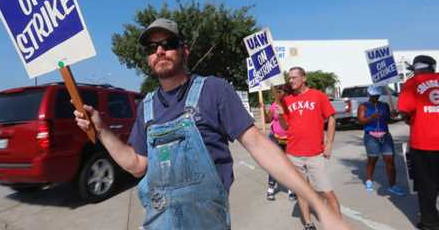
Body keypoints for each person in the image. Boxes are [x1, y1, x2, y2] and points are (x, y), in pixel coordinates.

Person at [74, 18, 351, 230]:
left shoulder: (214, 91)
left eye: (168, 44)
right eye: (151, 47)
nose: (159, 51)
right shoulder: (145, 106)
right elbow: (136, 165)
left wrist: (318, 204)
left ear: (185, 51)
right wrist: (102, 131)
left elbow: (258, 145)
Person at [278, 66, 342, 230]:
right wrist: (279, 115)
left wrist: (328, 144)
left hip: (315, 154)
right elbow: (286, 127)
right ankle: (308, 224)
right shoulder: (286, 100)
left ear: (304, 78)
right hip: (293, 153)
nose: (291, 81)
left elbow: (331, 119)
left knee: (327, 192)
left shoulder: (318, 96)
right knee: (302, 191)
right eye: (289, 78)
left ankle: (338, 224)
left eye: (294, 77)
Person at [398, 55, 439, 230]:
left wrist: (409, 118)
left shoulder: (411, 83)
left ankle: (430, 223)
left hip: (424, 143)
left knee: (426, 184)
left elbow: (405, 112)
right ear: (433, 66)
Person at [357, 86, 405, 196]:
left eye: (377, 96)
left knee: (390, 161)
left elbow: (389, 119)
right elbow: (361, 121)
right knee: (372, 160)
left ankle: (393, 185)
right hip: (371, 136)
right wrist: (372, 117)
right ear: (369, 95)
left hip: (385, 135)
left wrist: (394, 115)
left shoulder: (384, 105)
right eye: (373, 96)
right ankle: (369, 180)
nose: (375, 98)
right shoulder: (363, 106)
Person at [262, 84, 297, 201]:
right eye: (277, 92)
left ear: (287, 94)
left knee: (289, 164)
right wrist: (263, 109)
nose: (278, 94)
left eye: (280, 92)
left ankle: (291, 189)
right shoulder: (274, 106)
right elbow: (268, 120)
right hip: (275, 138)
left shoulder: (292, 106)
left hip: (289, 139)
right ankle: (271, 189)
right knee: (275, 164)